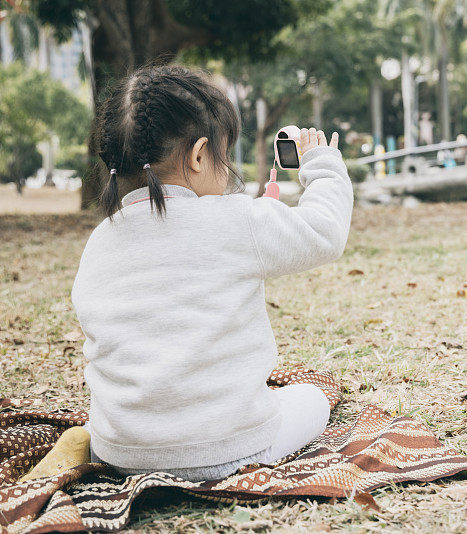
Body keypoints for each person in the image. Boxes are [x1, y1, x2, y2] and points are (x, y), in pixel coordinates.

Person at [28, 64, 353, 484]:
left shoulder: (99, 242)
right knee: (309, 398)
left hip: (121, 452)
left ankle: (91, 438)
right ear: (200, 155)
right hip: (229, 449)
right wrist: (322, 162)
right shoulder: (237, 220)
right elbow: (325, 232)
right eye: (225, 154)